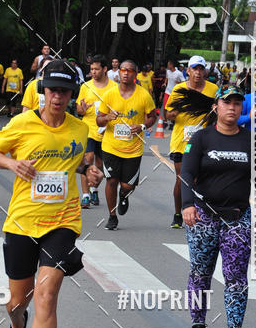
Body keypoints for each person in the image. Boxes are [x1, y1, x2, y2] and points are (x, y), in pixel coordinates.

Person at [0, 59, 102, 328]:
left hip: (63, 222)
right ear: (43, 91)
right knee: (17, 302)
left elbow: (82, 161)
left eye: (64, 92)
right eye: (52, 90)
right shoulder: (22, 124)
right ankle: (17, 326)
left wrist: (91, 174)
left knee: (47, 295)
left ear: (71, 95)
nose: (58, 97)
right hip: (21, 222)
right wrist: (12, 163)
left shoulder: (80, 130)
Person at [181, 84, 254, 328]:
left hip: (237, 219)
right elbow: (186, 174)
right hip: (203, 218)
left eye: (237, 103)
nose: (232, 107)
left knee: (236, 276)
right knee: (200, 273)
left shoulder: (250, 140)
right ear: (216, 106)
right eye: (227, 102)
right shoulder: (201, 138)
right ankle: (197, 325)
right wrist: (187, 205)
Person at [96, 60, 156, 231]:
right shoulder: (109, 94)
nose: (126, 73)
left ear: (135, 74)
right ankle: (112, 216)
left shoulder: (143, 95)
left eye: (130, 70)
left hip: (133, 148)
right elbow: (98, 119)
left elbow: (152, 116)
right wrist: (107, 118)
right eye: (123, 70)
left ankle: (124, 195)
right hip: (110, 146)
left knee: (127, 186)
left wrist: (142, 126)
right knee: (112, 180)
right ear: (119, 73)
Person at [165, 56, 218, 228]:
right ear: (188, 71)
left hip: (206, 142)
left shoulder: (213, 89)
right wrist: (180, 109)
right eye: (194, 69)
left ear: (205, 71)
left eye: (201, 69)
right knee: (182, 179)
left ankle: (201, 212)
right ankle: (178, 213)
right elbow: (168, 114)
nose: (198, 72)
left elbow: (220, 112)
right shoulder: (179, 89)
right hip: (182, 141)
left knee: (202, 179)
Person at [76, 54, 112, 209]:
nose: (93, 72)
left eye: (97, 69)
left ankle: (94, 189)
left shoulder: (114, 88)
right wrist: (81, 109)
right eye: (91, 69)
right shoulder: (86, 86)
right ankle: (85, 196)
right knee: (87, 159)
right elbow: (78, 108)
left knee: (101, 164)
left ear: (105, 69)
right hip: (88, 129)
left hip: (106, 131)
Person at [163, 60, 185, 126]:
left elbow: (184, 82)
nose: (167, 66)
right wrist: (164, 83)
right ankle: (165, 121)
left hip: (175, 93)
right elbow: (166, 78)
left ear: (171, 65)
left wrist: (178, 83)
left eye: (168, 65)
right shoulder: (167, 71)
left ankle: (173, 122)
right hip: (167, 91)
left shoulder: (179, 73)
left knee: (174, 108)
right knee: (165, 107)